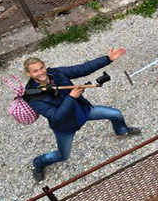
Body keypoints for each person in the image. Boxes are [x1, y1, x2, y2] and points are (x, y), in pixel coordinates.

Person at [23, 48, 141, 181]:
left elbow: (81, 69)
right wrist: (71, 97)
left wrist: (107, 59)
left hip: (81, 111)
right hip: (65, 126)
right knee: (63, 155)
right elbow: (56, 117)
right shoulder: (33, 96)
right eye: (35, 71)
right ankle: (38, 163)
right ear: (28, 73)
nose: (41, 72)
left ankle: (121, 130)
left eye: (41, 67)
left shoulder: (55, 73)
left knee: (116, 114)